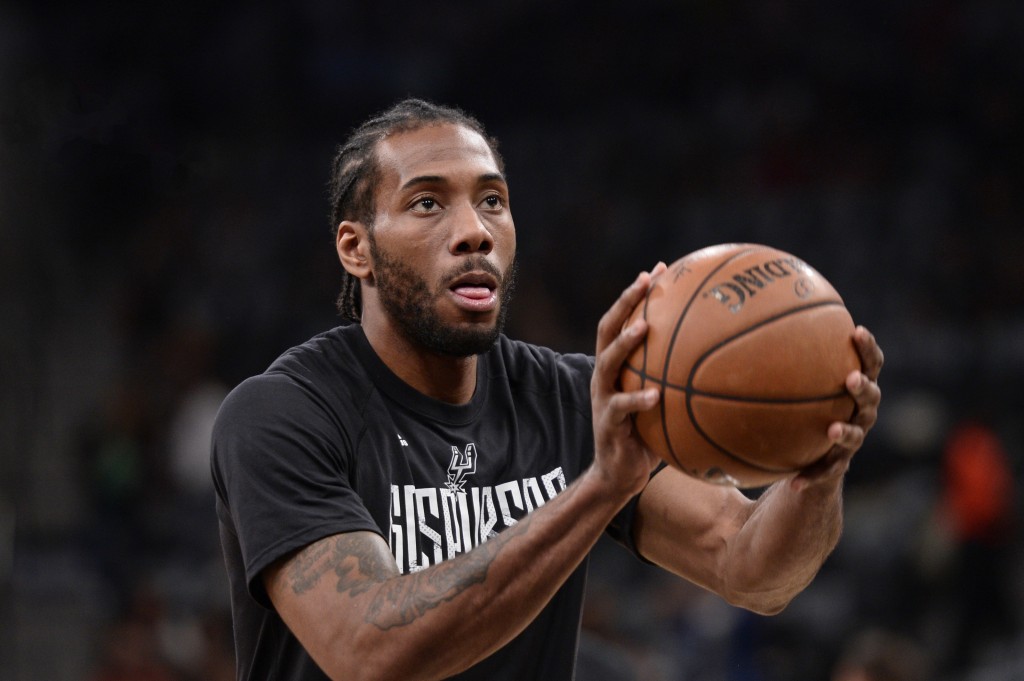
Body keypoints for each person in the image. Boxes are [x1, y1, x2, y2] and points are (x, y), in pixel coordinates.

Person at [210, 98, 884, 681]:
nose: (474, 231)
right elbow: (370, 655)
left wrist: (817, 467)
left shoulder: (575, 400)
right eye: (426, 203)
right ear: (356, 249)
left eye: (492, 201)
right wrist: (601, 487)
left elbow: (752, 568)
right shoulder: (282, 415)